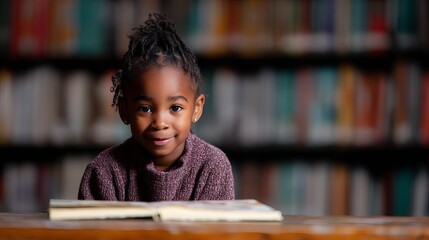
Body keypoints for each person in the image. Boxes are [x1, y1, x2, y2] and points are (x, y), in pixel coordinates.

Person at [78, 13, 235, 201]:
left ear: (196, 108)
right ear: (124, 110)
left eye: (175, 108)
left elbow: (216, 230)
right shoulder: (103, 172)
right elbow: (94, 230)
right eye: (145, 108)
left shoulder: (212, 167)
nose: (160, 123)